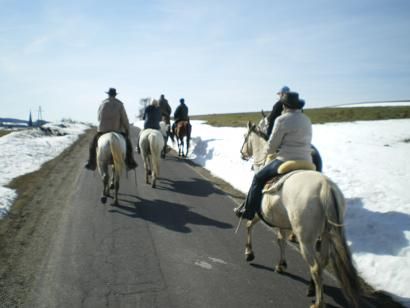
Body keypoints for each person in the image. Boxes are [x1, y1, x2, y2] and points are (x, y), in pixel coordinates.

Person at [234, 92, 312, 220]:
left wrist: (270, 152)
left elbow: (272, 146)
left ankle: (248, 212)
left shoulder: (281, 120)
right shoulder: (306, 119)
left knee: (258, 178)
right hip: (307, 160)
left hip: (285, 160)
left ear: (284, 106)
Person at [85, 88, 138, 171]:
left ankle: (91, 163)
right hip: (117, 130)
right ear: (115, 95)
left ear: (108, 94)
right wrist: (127, 130)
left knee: (92, 144)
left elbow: (99, 117)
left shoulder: (102, 104)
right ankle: (130, 162)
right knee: (128, 144)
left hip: (103, 130)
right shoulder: (120, 104)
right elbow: (124, 119)